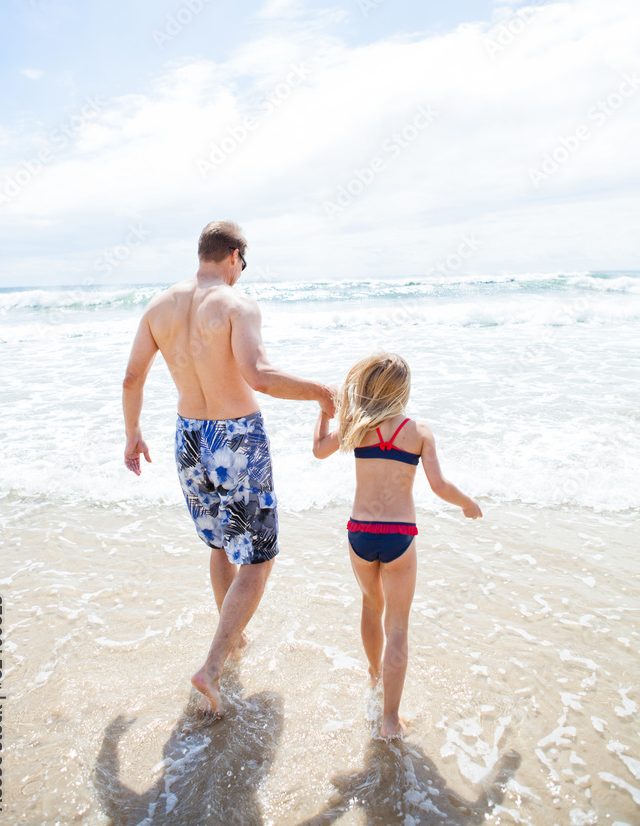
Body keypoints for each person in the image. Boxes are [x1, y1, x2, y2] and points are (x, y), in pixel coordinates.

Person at [122, 220, 335, 715]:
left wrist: (132, 433)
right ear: (235, 255)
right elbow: (258, 375)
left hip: (189, 436)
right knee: (258, 559)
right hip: (235, 438)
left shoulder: (158, 306)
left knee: (220, 544)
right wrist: (320, 392)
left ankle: (232, 641)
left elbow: (132, 377)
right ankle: (212, 667)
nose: (242, 270)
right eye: (244, 262)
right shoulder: (237, 304)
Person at [312, 352, 482, 739]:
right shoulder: (419, 432)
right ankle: (390, 721)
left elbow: (319, 449)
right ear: (403, 390)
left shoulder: (357, 426)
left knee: (372, 607)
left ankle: (375, 678)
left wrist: (324, 410)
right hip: (399, 535)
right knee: (399, 627)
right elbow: (439, 486)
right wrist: (468, 504)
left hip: (360, 532)